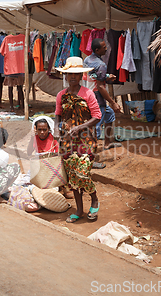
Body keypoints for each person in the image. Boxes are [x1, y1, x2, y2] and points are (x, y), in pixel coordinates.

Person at [54, 57, 102, 223]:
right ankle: (80, 210)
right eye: (70, 74)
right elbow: (58, 115)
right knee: (72, 177)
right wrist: (57, 129)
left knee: (82, 173)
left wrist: (80, 127)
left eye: (76, 74)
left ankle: (94, 199)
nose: (73, 77)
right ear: (66, 76)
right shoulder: (61, 95)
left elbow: (97, 116)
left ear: (81, 75)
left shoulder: (88, 93)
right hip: (67, 142)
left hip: (86, 141)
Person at [83, 38, 122, 152]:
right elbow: (100, 86)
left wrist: (107, 76)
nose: (106, 49)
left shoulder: (87, 59)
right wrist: (113, 102)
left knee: (109, 116)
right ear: (97, 49)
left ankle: (107, 143)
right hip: (97, 98)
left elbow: (93, 76)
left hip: (88, 94)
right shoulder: (101, 65)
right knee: (96, 127)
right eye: (104, 47)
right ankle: (91, 156)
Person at [27, 115, 73, 199]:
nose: (42, 132)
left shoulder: (53, 139)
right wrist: (32, 136)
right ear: (35, 130)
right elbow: (29, 152)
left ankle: (64, 187)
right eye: (39, 130)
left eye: (44, 130)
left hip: (52, 167)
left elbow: (59, 156)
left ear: (49, 129)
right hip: (39, 168)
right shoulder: (35, 138)